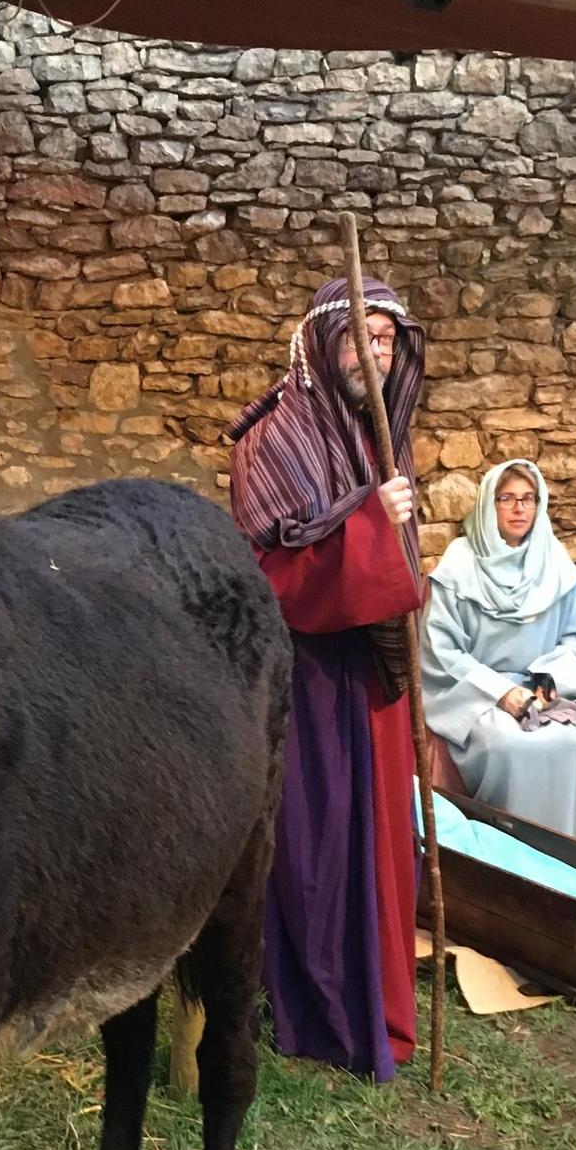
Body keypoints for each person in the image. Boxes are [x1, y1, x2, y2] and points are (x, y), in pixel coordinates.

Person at [229, 277, 428, 1082]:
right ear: (322, 344)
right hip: (306, 680)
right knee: (315, 846)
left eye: (384, 341)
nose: (373, 355)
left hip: (372, 674)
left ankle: (374, 993)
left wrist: (383, 530)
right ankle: (313, 1004)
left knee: (380, 843)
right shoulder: (274, 440)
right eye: (358, 338)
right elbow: (276, 578)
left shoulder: (378, 435)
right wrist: (372, 527)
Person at [421, 459, 576, 841]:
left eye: (528, 498)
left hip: (540, 693)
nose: (519, 508)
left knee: (567, 743)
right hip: (477, 697)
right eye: (506, 498)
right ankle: (506, 852)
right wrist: (501, 693)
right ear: (489, 505)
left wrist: (552, 679)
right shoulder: (459, 564)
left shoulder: (555, 563)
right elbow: (441, 651)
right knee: (507, 747)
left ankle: (563, 852)